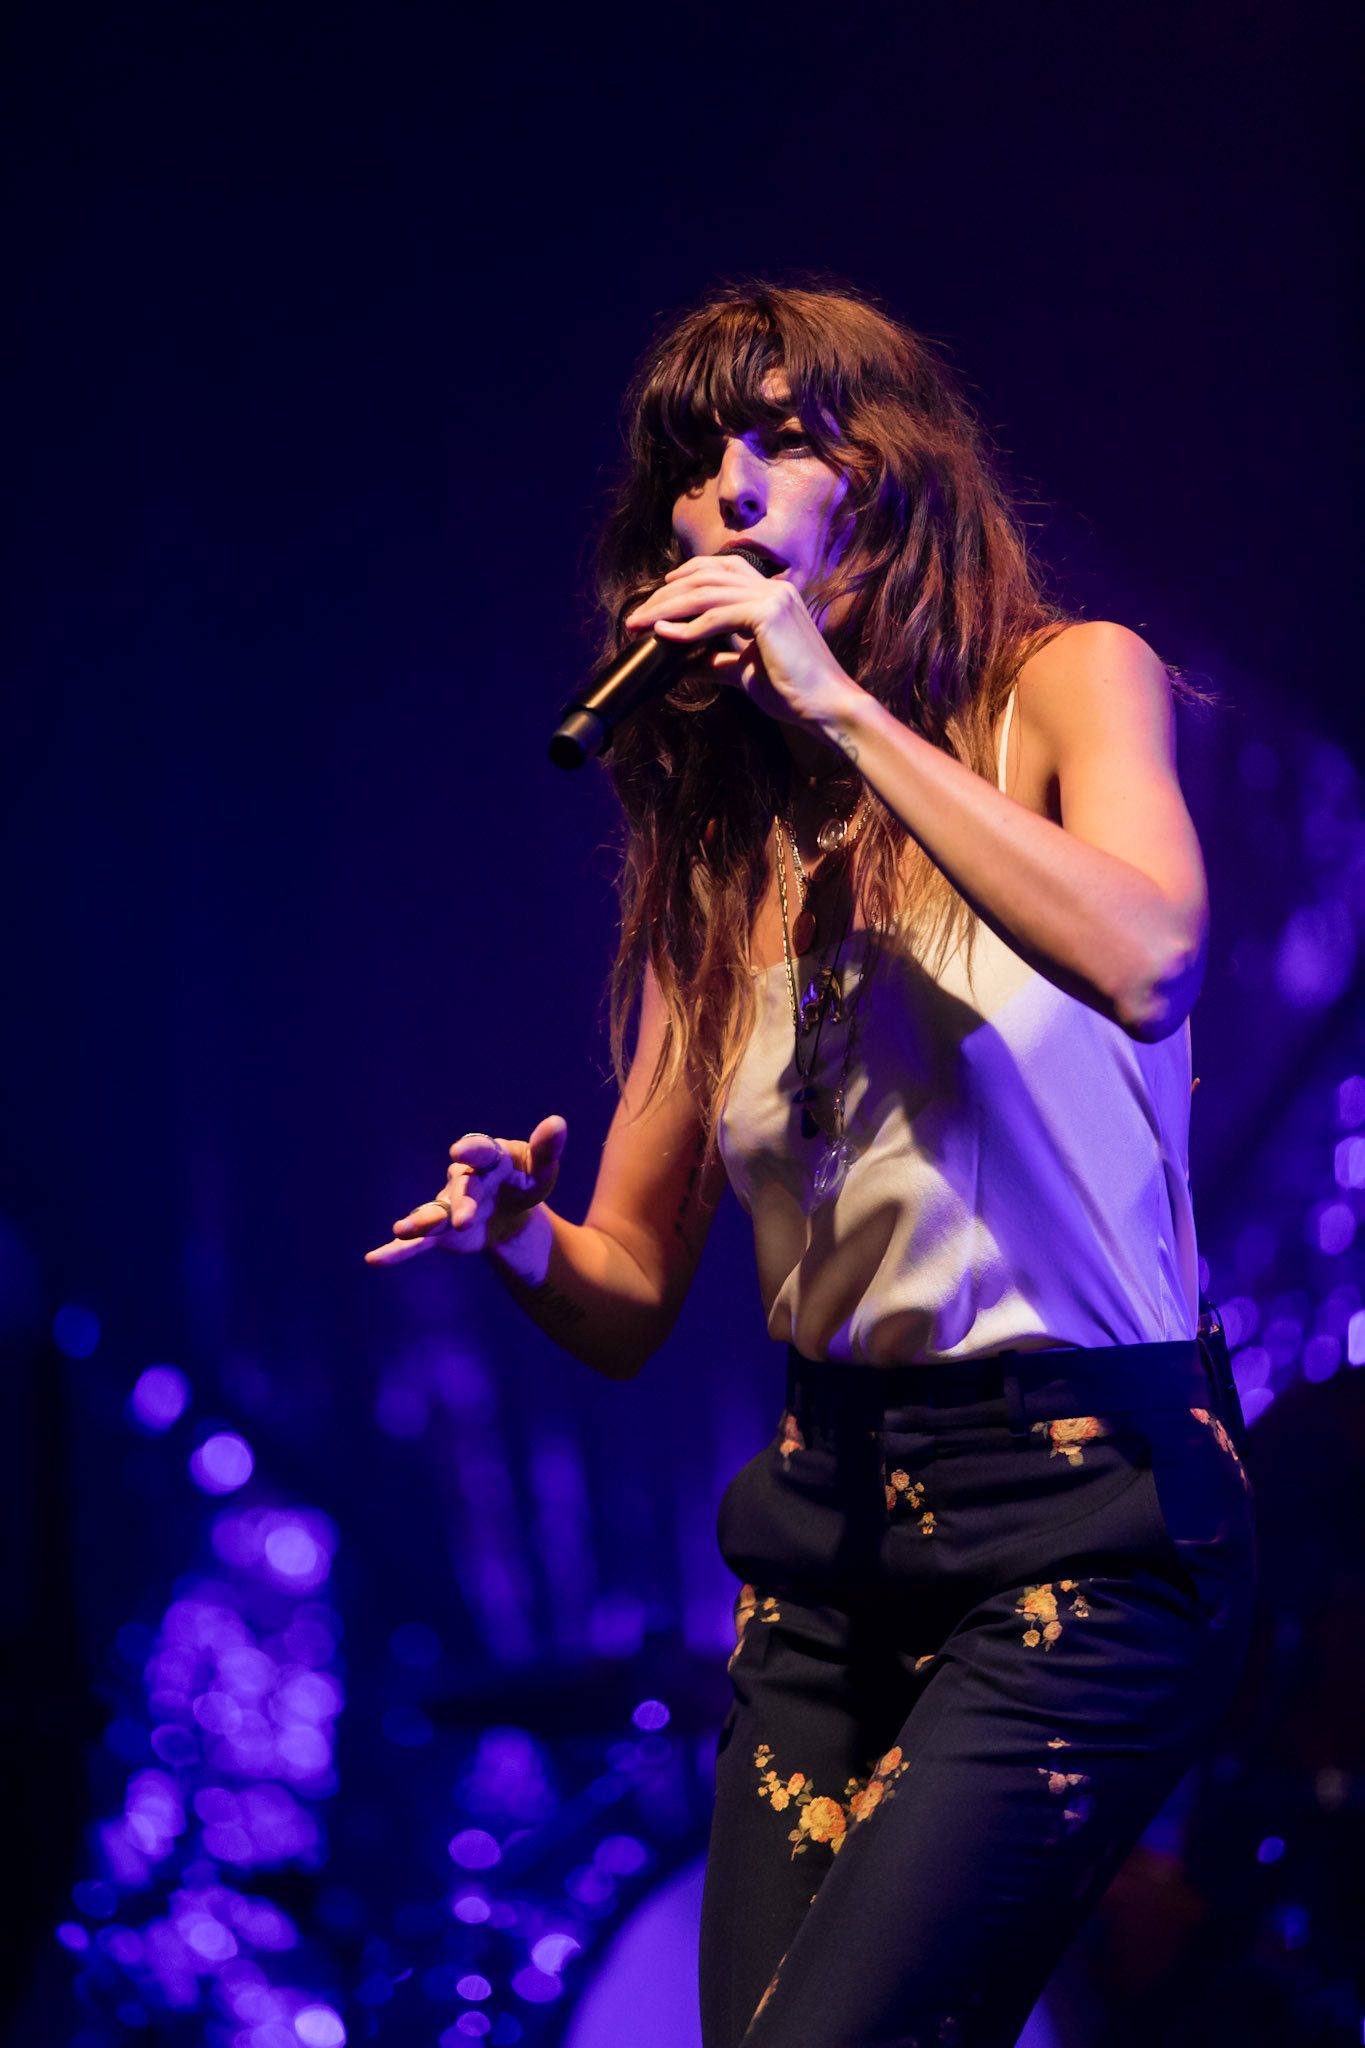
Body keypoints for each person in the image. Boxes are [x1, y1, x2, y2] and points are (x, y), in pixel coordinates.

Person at [366, 285, 1254, 2048]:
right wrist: (521, 1237)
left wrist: (837, 703)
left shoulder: (1066, 689)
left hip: (1081, 1522)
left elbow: (1151, 957)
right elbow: (627, 1294)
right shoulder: (721, 860)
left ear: (889, 470)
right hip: (827, 1550)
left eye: (782, 434)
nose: (735, 484)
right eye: (697, 464)